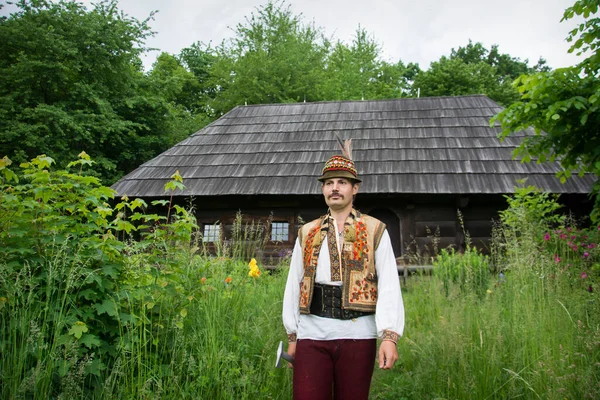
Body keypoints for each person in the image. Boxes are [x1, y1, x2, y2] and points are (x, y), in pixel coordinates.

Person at [282, 138, 405, 400]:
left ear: (354, 188)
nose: (334, 188)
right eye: (329, 183)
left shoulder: (375, 230)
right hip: (312, 336)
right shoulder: (307, 232)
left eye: (342, 182)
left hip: (358, 336)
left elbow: (390, 285)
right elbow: (294, 283)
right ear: (323, 189)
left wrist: (389, 336)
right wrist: (293, 337)